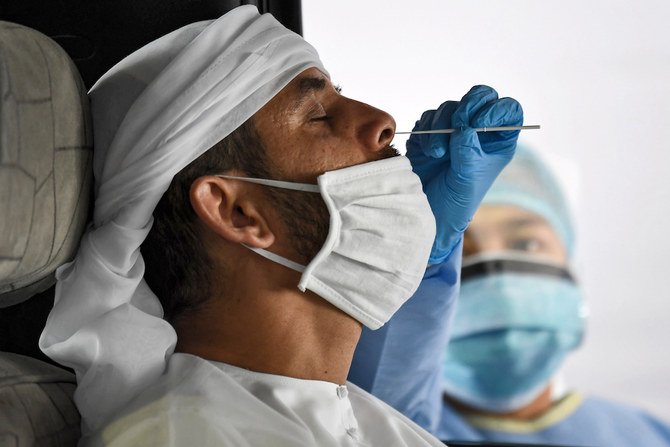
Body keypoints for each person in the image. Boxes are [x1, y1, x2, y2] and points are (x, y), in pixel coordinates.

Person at [38, 5, 523, 446]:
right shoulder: (185, 437)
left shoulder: (348, 417)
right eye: (318, 115)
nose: (384, 121)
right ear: (236, 212)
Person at [350, 144, 670, 446]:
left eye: (526, 244)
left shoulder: (648, 434)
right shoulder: (377, 427)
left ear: (573, 265)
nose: (498, 282)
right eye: (461, 254)